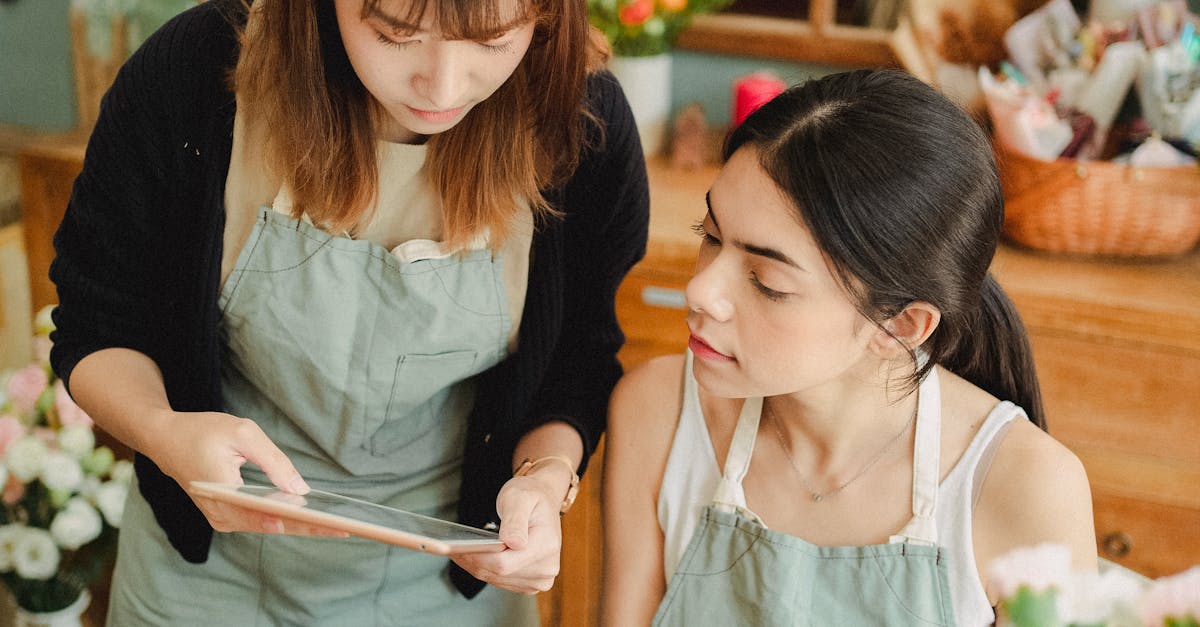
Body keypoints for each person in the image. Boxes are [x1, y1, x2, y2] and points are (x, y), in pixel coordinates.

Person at [48, 0, 648, 624]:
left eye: (493, 40)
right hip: (204, 573)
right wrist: (162, 429)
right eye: (394, 33)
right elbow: (98, 322)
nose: (441, 85)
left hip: (446, 574)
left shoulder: (583, 123)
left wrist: (545, 481)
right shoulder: (197, 69)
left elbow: (579, 357)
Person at [601, 68, 1095, 626]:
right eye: (710, 237)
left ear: (901, 326)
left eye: (767, 281)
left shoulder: (1025, 487)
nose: (701, 290)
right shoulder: (655, 412)